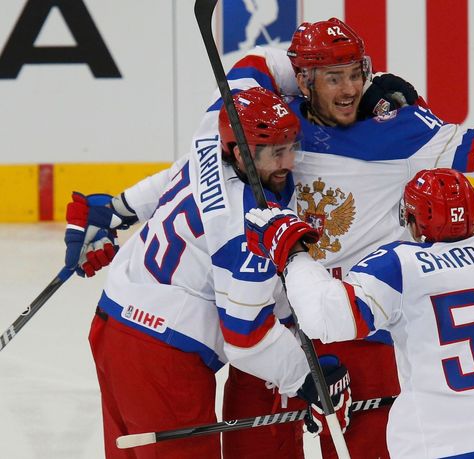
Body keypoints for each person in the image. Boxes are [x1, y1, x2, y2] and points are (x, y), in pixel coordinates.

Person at [69, 17, 474, 459]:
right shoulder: (274, 124)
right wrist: (120, 206)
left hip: (359, 319)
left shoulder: (402, 133)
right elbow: (197, 164)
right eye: (332, 77)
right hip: (281, 327)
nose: (348, 90)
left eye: (356, 75)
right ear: (305, 79)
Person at [244, 155, 474, 459]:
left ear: (413, 222)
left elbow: (326, 318)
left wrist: (292, 253)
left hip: (444, 447)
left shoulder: (400, 264)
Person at [63, 87, 351, 458]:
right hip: (162, 358)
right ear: (238, 153)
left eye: (290, 147)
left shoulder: (207, 150)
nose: (287, 162)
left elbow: (168, 180)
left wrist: (117, 209)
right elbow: (246, 337)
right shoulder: (246, 225)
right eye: (273, 153)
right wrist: (307, 378)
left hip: (113, 326)